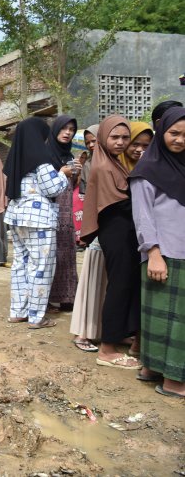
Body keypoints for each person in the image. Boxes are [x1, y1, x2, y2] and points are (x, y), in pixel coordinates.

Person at [129, 106, 185, 397]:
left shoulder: (181, 166)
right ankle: (175, 381)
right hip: (162, 253)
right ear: (162, 132)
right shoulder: (147, 170)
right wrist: (153, 252)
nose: (179, 140)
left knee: (164, 316)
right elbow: (143, 215)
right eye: (174, 133)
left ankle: (151, 368)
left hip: (182, 252)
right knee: (173, 320)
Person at [81, 116, 141, 369]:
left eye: (125, 138)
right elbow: (119, 203)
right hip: (115, 230)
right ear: (104, 137)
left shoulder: (115, 162)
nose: (120, 142)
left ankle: (119, 336)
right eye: (114, 137)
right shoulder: (103, 166)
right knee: (119, 285)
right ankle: (107, 350)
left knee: (124, 284)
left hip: (121, 230)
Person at [3, 117, 73, 329]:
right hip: (39, 220)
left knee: (20, 266)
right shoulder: (41, 159)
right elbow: (52, 189)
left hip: (16, 218)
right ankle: (36, 317)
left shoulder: (15, 158)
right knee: (41, 267)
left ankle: (18, 311)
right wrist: (63, 174)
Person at [70, 124, 106, 352]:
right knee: (93, 279)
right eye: (89, 142)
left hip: (118, 232)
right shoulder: (89, 166)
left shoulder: (119, 162)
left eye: (96, 140)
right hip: (98, 231)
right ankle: (84, 331)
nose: (92, 145)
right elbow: (85, 198)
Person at [47, 115, 82, 312]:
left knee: (67, 254)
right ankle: (47, 298)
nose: (67, 132)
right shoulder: (44, 155)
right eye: (63, 128)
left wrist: (76, 173)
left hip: (66, 214)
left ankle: (68, 297)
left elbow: (73, 185)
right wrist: (61, 172)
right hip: (51, 212)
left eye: (71, 129)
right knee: (50, 254)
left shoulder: (70, 156)